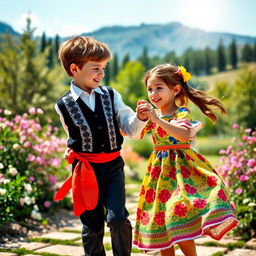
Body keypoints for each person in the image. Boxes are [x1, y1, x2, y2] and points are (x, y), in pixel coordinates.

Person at [54, 36, 148, 256]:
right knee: (92, 226)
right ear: (75, 68)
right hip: (84, 170)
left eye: (103, 68)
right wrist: (71, 149)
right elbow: (74, 135)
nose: (102, 73)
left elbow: (130, 128)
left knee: (117, 218)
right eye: (96, 68)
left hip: (112, 167)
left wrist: (141, 118)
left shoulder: (111, 95)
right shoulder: (62, 105)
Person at [134, 64, 238, 256]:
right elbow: (131, 133)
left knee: (177, 215)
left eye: (159, 88)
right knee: (161, 220)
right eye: (150, 89)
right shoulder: (151, 117)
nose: (153, 93)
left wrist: (157, 120)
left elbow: (183, 135)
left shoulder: (181, 113)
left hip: (182, 173)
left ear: (175, 89)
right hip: (158, 177)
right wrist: (138, 119)